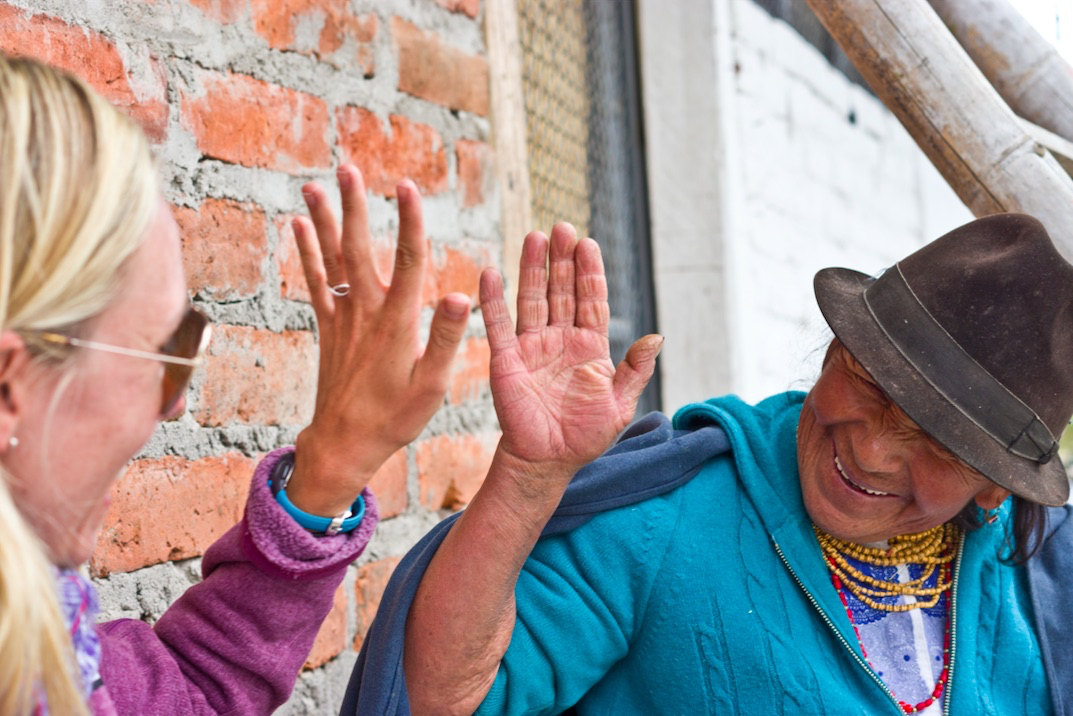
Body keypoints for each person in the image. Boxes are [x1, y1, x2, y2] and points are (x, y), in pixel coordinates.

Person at [344, 214, 1073, 715]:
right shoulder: (667, 522)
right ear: (828, 354)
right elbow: (438, 698)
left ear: (992, 487)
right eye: (869, 386)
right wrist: (530, 477)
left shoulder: (1037, 582)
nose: (872, 450)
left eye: (939, 444)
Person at [0, 54, 473, 715]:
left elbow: (191, 692)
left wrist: (329, 471)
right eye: (169, 353)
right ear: (8, 386)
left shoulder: (49, 650)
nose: (178, 404)